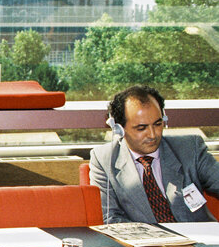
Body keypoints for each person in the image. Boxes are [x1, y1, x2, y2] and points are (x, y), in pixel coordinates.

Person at [89, 85, 219, 224]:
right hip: (142, 242)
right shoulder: (104, 159)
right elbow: (110, 218)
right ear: (119, 129)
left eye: (158, 124)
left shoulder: (190, 148)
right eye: (141, 128)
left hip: (199, 241)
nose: (152, 135)